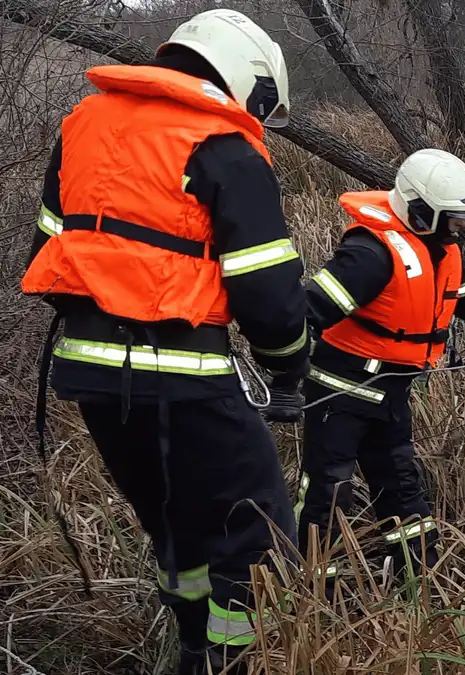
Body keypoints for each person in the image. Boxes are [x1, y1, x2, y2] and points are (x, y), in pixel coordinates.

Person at [21, 9, 308, 674]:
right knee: (257, 531)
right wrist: (289, 369)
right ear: (249, 80)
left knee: (176, 524)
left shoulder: (82, 126)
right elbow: (267, 292)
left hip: (88, 375)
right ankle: (232, 661)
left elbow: (51, 250)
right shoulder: (227, 147)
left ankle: (190, 647)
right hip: (183, 375)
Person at [297, 148, 465, 582]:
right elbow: (308, 311)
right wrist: (284, 373)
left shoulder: (443, 251)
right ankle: (315, 581)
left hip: (391, 390)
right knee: (327, 488)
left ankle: (415, 570)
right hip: (340, 390)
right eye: (455, 218)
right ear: (421, 211)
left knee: (401, 481)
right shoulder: (371, 254)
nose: (463, 226)